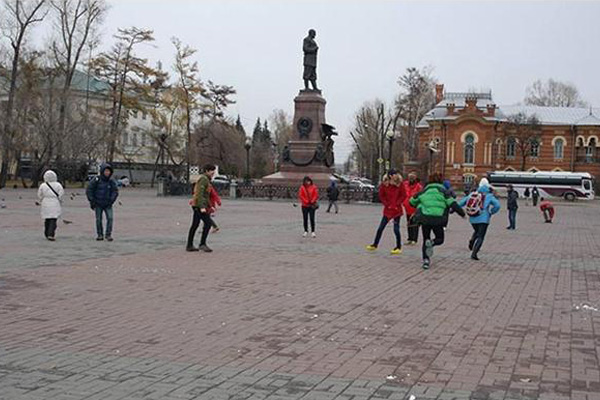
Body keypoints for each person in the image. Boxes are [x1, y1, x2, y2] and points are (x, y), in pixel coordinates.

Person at [409, 173, 465, 270]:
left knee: (425, 238)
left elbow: (411, 201)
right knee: (440, 239)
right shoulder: (444, 191)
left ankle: (426, 261)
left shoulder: (424, 191)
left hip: (425, 218)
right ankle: (432, 242)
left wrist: (420, 205)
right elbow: (453, 204)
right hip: (438, 219)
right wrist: (462, 214)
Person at [366, 170, 407, 255]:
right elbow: (381, 195)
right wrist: (386, 204)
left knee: (396, 229)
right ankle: (375, 244)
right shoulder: (384, 184)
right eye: (393, 175)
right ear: (390, 176)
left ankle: (398, 247)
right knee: (381, 228)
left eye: (396, 174)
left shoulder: (400, 184)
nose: (395, 176)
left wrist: (397, 204)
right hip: (388, 209)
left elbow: (403, 195)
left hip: (396, 210)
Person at [458, 183, 501, 260]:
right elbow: (497, 205)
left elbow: (461, 203)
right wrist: (491, 212)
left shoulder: (472, 195)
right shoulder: (489, 196)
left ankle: (472, 241)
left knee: (477, 231)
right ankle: (474, 253)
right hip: (484, 219)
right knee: (481, 236)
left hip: (473, 218)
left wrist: (454, 209)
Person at [187, 164, 217, 252]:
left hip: (198, 205)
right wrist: (202, 207)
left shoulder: (206, 180)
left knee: (195, 225)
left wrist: (210, 205)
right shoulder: (203, 179)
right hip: (198, 205)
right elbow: (200, 194)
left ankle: (190, 245)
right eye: (212, 170)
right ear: (207, 171)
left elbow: (206, 195)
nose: (213, 173)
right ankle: (202, 244)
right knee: (207, 224)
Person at [86, 163, 119, 241]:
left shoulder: (111, 181)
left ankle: (108, 234)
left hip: (108, 204)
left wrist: (111, 200)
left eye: (108, 171)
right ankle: (100, 234)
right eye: (106, 171)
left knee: (110, 218)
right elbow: (89, 190)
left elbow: (115, 191)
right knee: (98, 219)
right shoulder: (96, 180)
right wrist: (92, 200)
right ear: (102, 171)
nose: (107, 173)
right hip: (98, 203)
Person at [37, 170, 64, 241]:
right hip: (55, 202)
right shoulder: (58, 185)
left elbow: (39, 194)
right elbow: (61, 194)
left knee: (47, 219)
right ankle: (51, 233)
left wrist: (41, 200)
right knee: (53, 219)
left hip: (45, 202)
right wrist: (60, 200)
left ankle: (46, 232)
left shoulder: (43, 185)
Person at [403, 172, 423, 245]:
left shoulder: (418, 186)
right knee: (409, 223)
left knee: (415, 224)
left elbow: (420, 197)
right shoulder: (405, 185)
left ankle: (414, 239)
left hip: (415, 208)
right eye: (410, 178)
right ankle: (410, 238)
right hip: (407, 207)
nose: (411, 180)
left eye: (412, 178)